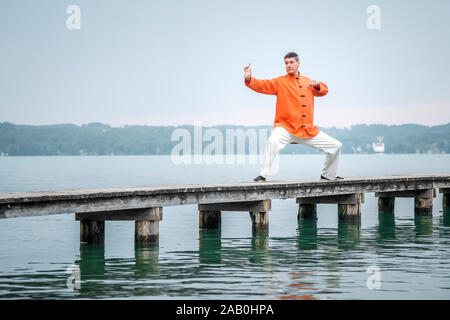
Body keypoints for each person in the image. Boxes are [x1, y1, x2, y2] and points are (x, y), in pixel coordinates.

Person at [244, 52, 344, 182]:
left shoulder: (308, 82)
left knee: (336, 146)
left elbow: (324, 90)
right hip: (286, 128)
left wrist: (317, 85)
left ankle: (328, 175)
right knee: (273, 141)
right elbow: (262, 85)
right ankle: (263, 175)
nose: (289, 65)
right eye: (286, 63)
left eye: (291, 62)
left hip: (307, 131)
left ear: (298, 63)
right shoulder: (279, 82)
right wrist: (249, 78)